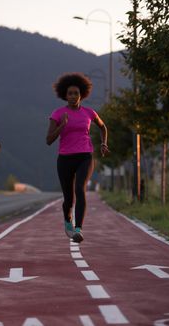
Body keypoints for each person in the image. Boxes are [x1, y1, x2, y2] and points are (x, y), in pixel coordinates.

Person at [46, 72, 109, 243]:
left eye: (76, 93)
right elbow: (49, 140)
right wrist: (62, 126)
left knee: (80, 190)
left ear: (82, 94)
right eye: (70, 94)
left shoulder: (89, 112)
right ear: (65, 96)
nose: (73, 96)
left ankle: (79, 229)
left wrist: (103, 143)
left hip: (85, 156)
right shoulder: (58, 113)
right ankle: (68, 220)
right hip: (65, 158)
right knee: (68, 198)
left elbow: (103, 128)